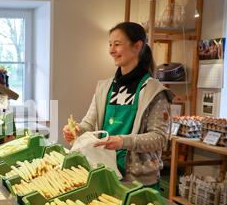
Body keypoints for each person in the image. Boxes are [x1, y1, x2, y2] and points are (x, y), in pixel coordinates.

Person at [63, 22, 174, 189]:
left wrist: (123, 141)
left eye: (117, 44)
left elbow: (159, 139)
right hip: (105, 171)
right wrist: (76, 130)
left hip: (138, 180)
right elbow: (88, 124)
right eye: (110, 44)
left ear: (137, 46)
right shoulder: (104, 88)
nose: (111, 50)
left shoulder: (154, 92)